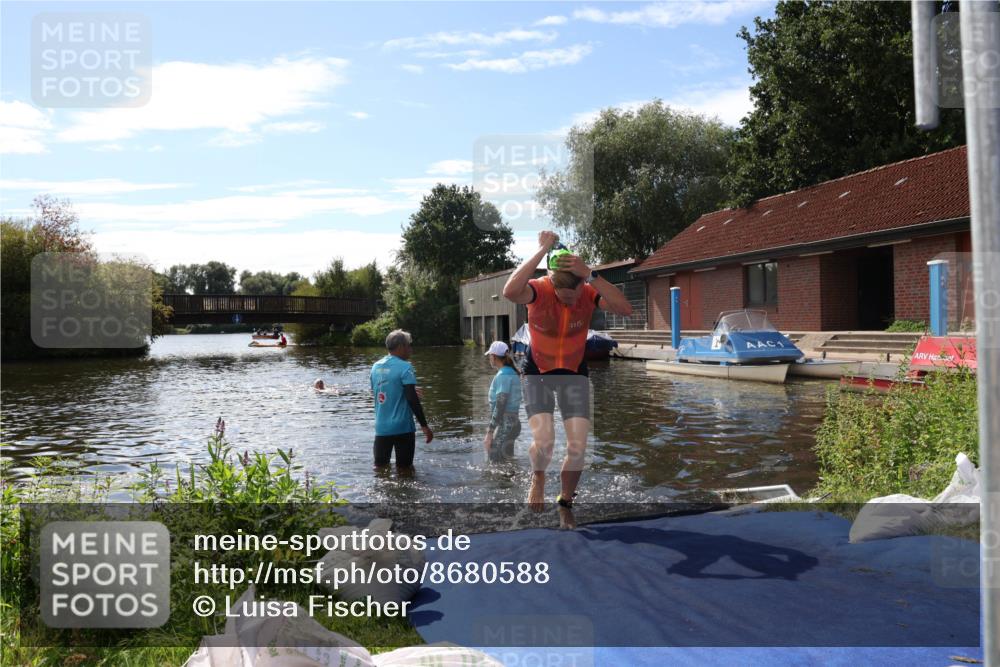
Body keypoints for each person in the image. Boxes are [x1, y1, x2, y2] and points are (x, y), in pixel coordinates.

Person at [502, 231, 633, 524]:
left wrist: (591, 274)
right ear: (551, 282)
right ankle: (538, 476)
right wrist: (541, 250)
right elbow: (509, 291)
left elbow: (625, 308)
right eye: (564, 297)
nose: (571, 303)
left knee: (578, 447)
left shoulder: (588, 290)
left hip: (574, 372)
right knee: (545, 442)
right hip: (538, 372)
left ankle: (565, 502)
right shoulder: (538, 290)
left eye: (574, 296)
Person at [370, 329, 433, 470]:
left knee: (380, 469)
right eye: (408, 345)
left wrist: (404, 390)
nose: (410, 349)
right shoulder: (405, 367)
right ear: (400, 347)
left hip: (381, 428)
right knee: (405, 471)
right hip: (403, 428)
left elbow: (377, 392)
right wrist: (424, 426)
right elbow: (412, 399)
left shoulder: (375, 367)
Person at [483, 340, 522, 463]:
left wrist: (490, 432)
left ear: (494, 357)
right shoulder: (511, 372)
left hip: (507, 425)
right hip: (513, 423)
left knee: (494, 460)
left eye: (490, 355)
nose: (489, 358)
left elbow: (501, 404)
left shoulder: (503, 375)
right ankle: (514, 475)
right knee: (508, 461)